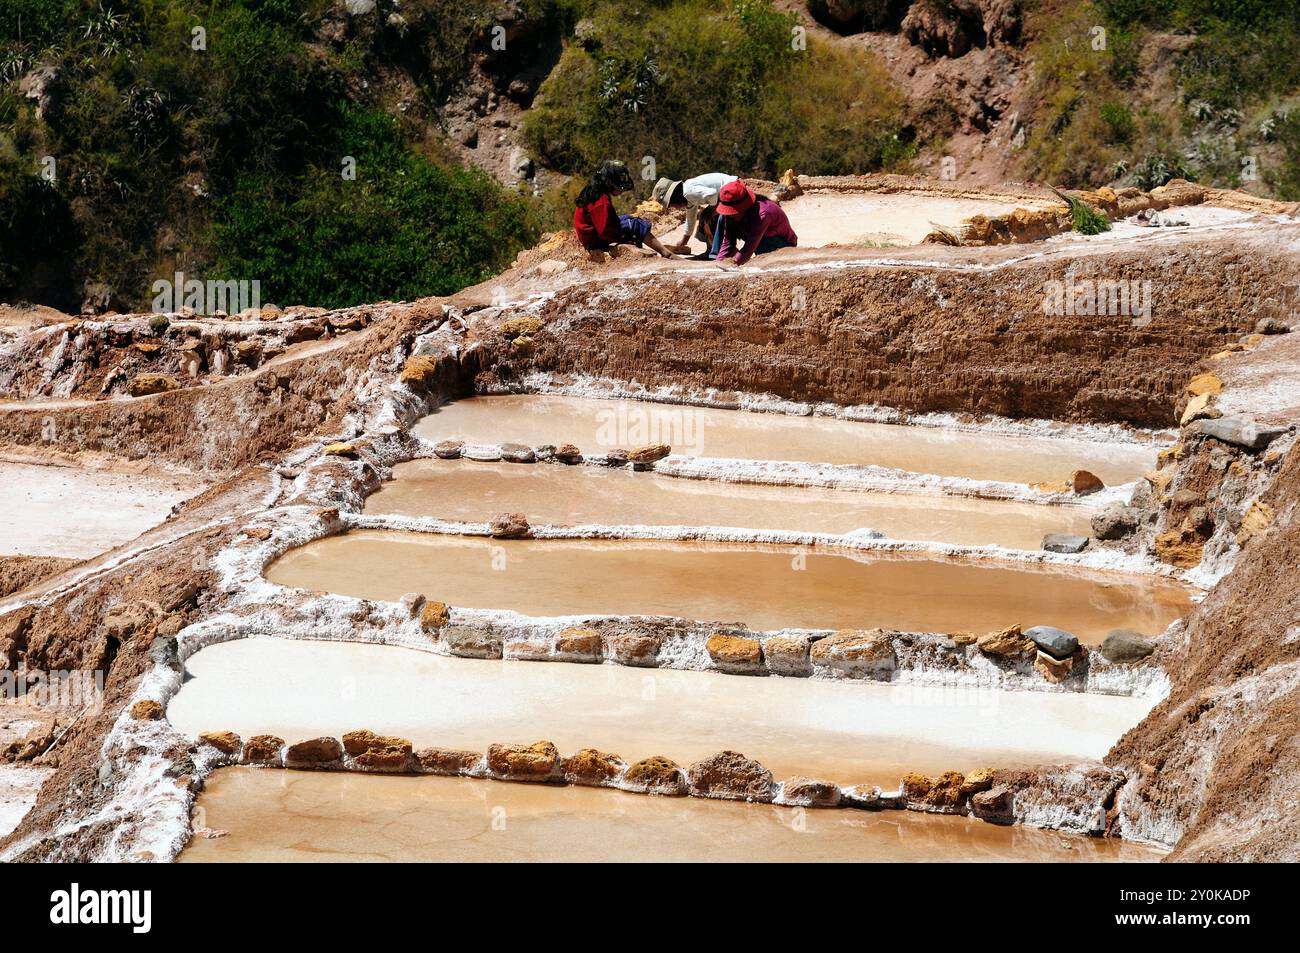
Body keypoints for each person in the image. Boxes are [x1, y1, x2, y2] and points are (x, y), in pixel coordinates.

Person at [574, 160, 675, 258]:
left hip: (591, 234)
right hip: (594, 240)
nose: (621, 191)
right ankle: (665, 253)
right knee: (635, 225)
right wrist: (624, 238)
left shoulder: (595, 189)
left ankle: (653, 248)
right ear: (609, 183)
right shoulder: (601, 201)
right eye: (619, 187)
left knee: (629, 219)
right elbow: (604, 230)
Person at [713, 180, 798, 266]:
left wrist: (733, 262)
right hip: (758, 241)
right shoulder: (730, 215)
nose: (730, 215)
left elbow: (750, 246)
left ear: (744, 206)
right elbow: (727, 242)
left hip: (782, 243)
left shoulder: (762, 214)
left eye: (733, 211)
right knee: (724, 218)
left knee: (762, 247)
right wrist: (719, 262)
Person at [651, 172, 738, 256]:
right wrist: (684, 240)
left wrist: (711, 209)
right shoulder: (689, 197)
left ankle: (727, 250)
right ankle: (712, 250)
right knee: (704, 218)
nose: (675, 208)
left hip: (733, 189)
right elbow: (690, 218)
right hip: (727, 192)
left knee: (707, 217)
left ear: (675, 198)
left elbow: (712, 194)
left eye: (673, 205)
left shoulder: (689, 192)